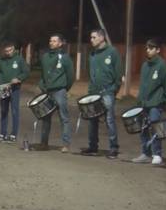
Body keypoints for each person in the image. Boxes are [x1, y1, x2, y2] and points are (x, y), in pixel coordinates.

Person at [82, 29, 122, 159]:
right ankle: (93, 147)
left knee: (109, 120)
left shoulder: (112, 52)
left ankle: (113, 148)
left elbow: (118, 73)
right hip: (94, 92)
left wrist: (114, 89)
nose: (91, 40)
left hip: (108, 92)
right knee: (92, 120)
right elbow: (91, 74)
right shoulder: (92, 54)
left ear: (101, 38)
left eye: (94, 37)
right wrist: (90, 91)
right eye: (91, 37)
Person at [132, 39, 166, 165]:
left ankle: (157, 154)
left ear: (158, 50)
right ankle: (145, 153)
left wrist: (163, 101)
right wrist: (139, 101)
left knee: (155, 127)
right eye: (147, 48)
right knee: (143, 128)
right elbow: (143, 86)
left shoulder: (162, 65)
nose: (148, 50)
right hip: (144, 103)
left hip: (156, 103)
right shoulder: (145, 65)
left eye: (151, 48)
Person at [38, 33, 74, 152]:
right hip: (47, 91)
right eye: (50, 40)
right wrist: (42, 85)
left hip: (60, 91)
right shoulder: (45, 57)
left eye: (54, 41)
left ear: (60, 43)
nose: (51, 43)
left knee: (64, 118)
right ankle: (44, 143)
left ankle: (66, 144)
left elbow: (70, 76)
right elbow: (42, 74)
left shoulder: (65, 57)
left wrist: (64, 88)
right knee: (45, 117)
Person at [0, 42, 30, 143]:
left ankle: (13, 134)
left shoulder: (19, 60)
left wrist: (18, 78)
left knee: (14, 111)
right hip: (3, 88)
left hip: (14, 89)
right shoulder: (1, 60)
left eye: (10, 50)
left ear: (13, 49)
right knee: (4, 111)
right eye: (6, 51)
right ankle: (2, 133)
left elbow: (26, 72)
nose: (8, 53)